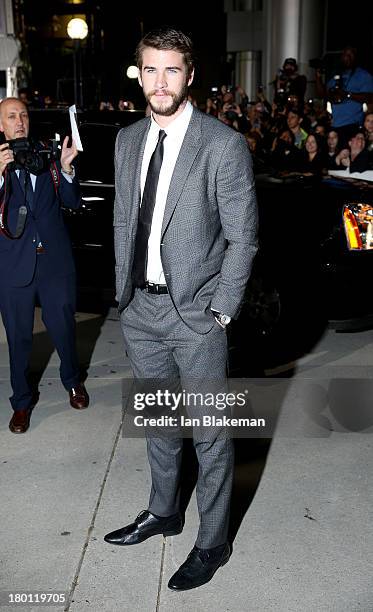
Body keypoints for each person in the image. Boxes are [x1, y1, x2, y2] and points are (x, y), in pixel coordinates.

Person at [104, 27, 258, 591]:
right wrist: (122, 291)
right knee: (160, 425)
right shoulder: (126, 141)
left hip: (196, 316)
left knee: (212, 434)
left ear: (189, 75)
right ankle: (164, 512)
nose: (160, 81)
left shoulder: (222, 145)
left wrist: (221, 311)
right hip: (141, 312)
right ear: (139, 74)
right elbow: (126, 220)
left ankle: (213, 541)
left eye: (172, 70)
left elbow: (244, 238)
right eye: (150, 70)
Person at [0, 98, 89, 433]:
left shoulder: (47, 154)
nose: (19, 120)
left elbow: (72, 201)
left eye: (23, 114)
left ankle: (73, 381)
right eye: (11, 116)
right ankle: (21, 403)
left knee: (64, 326)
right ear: (1, 124)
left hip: (54, 260)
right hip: (13, 265)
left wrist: (67, 169)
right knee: (19, 337)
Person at [315, 46, 373, 148]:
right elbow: (322, 95)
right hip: (334, 125)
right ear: (342, 57)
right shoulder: (336, 75)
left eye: (351, 55)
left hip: (352, 125)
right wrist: (318, 77)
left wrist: (347, 94)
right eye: (346, 55)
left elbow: (369, 97)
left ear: (356, 58)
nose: (348, 57)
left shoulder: (364, 75)